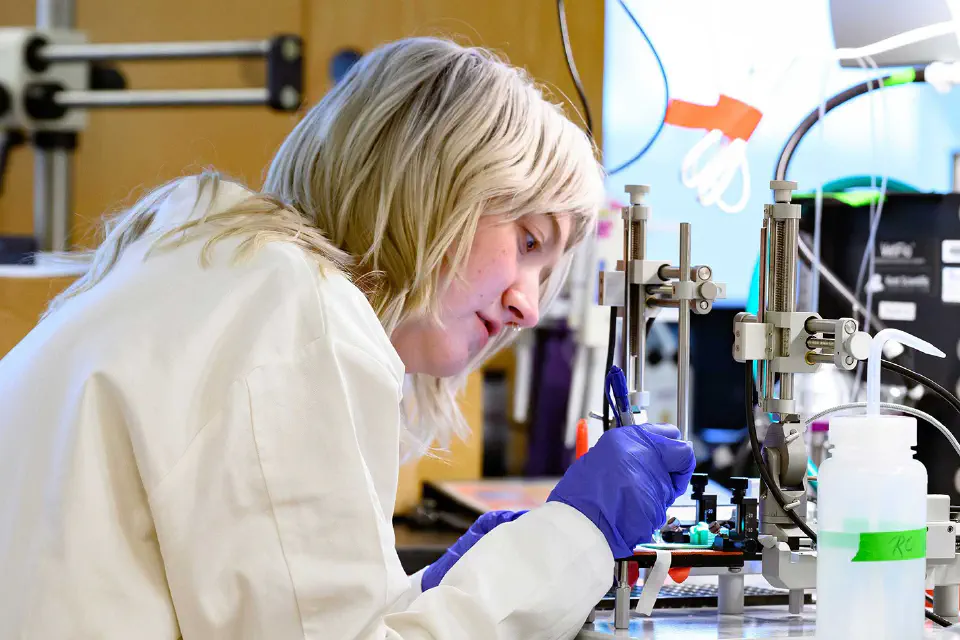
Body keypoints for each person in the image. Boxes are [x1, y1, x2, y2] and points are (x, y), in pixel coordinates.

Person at [0, 37, 695, 639]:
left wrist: (432, 595)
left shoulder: (204, 276)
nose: (524, 306)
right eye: (528, 241)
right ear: (435, 180)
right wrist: (575, 537)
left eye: (545, 278)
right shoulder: (291, 312)